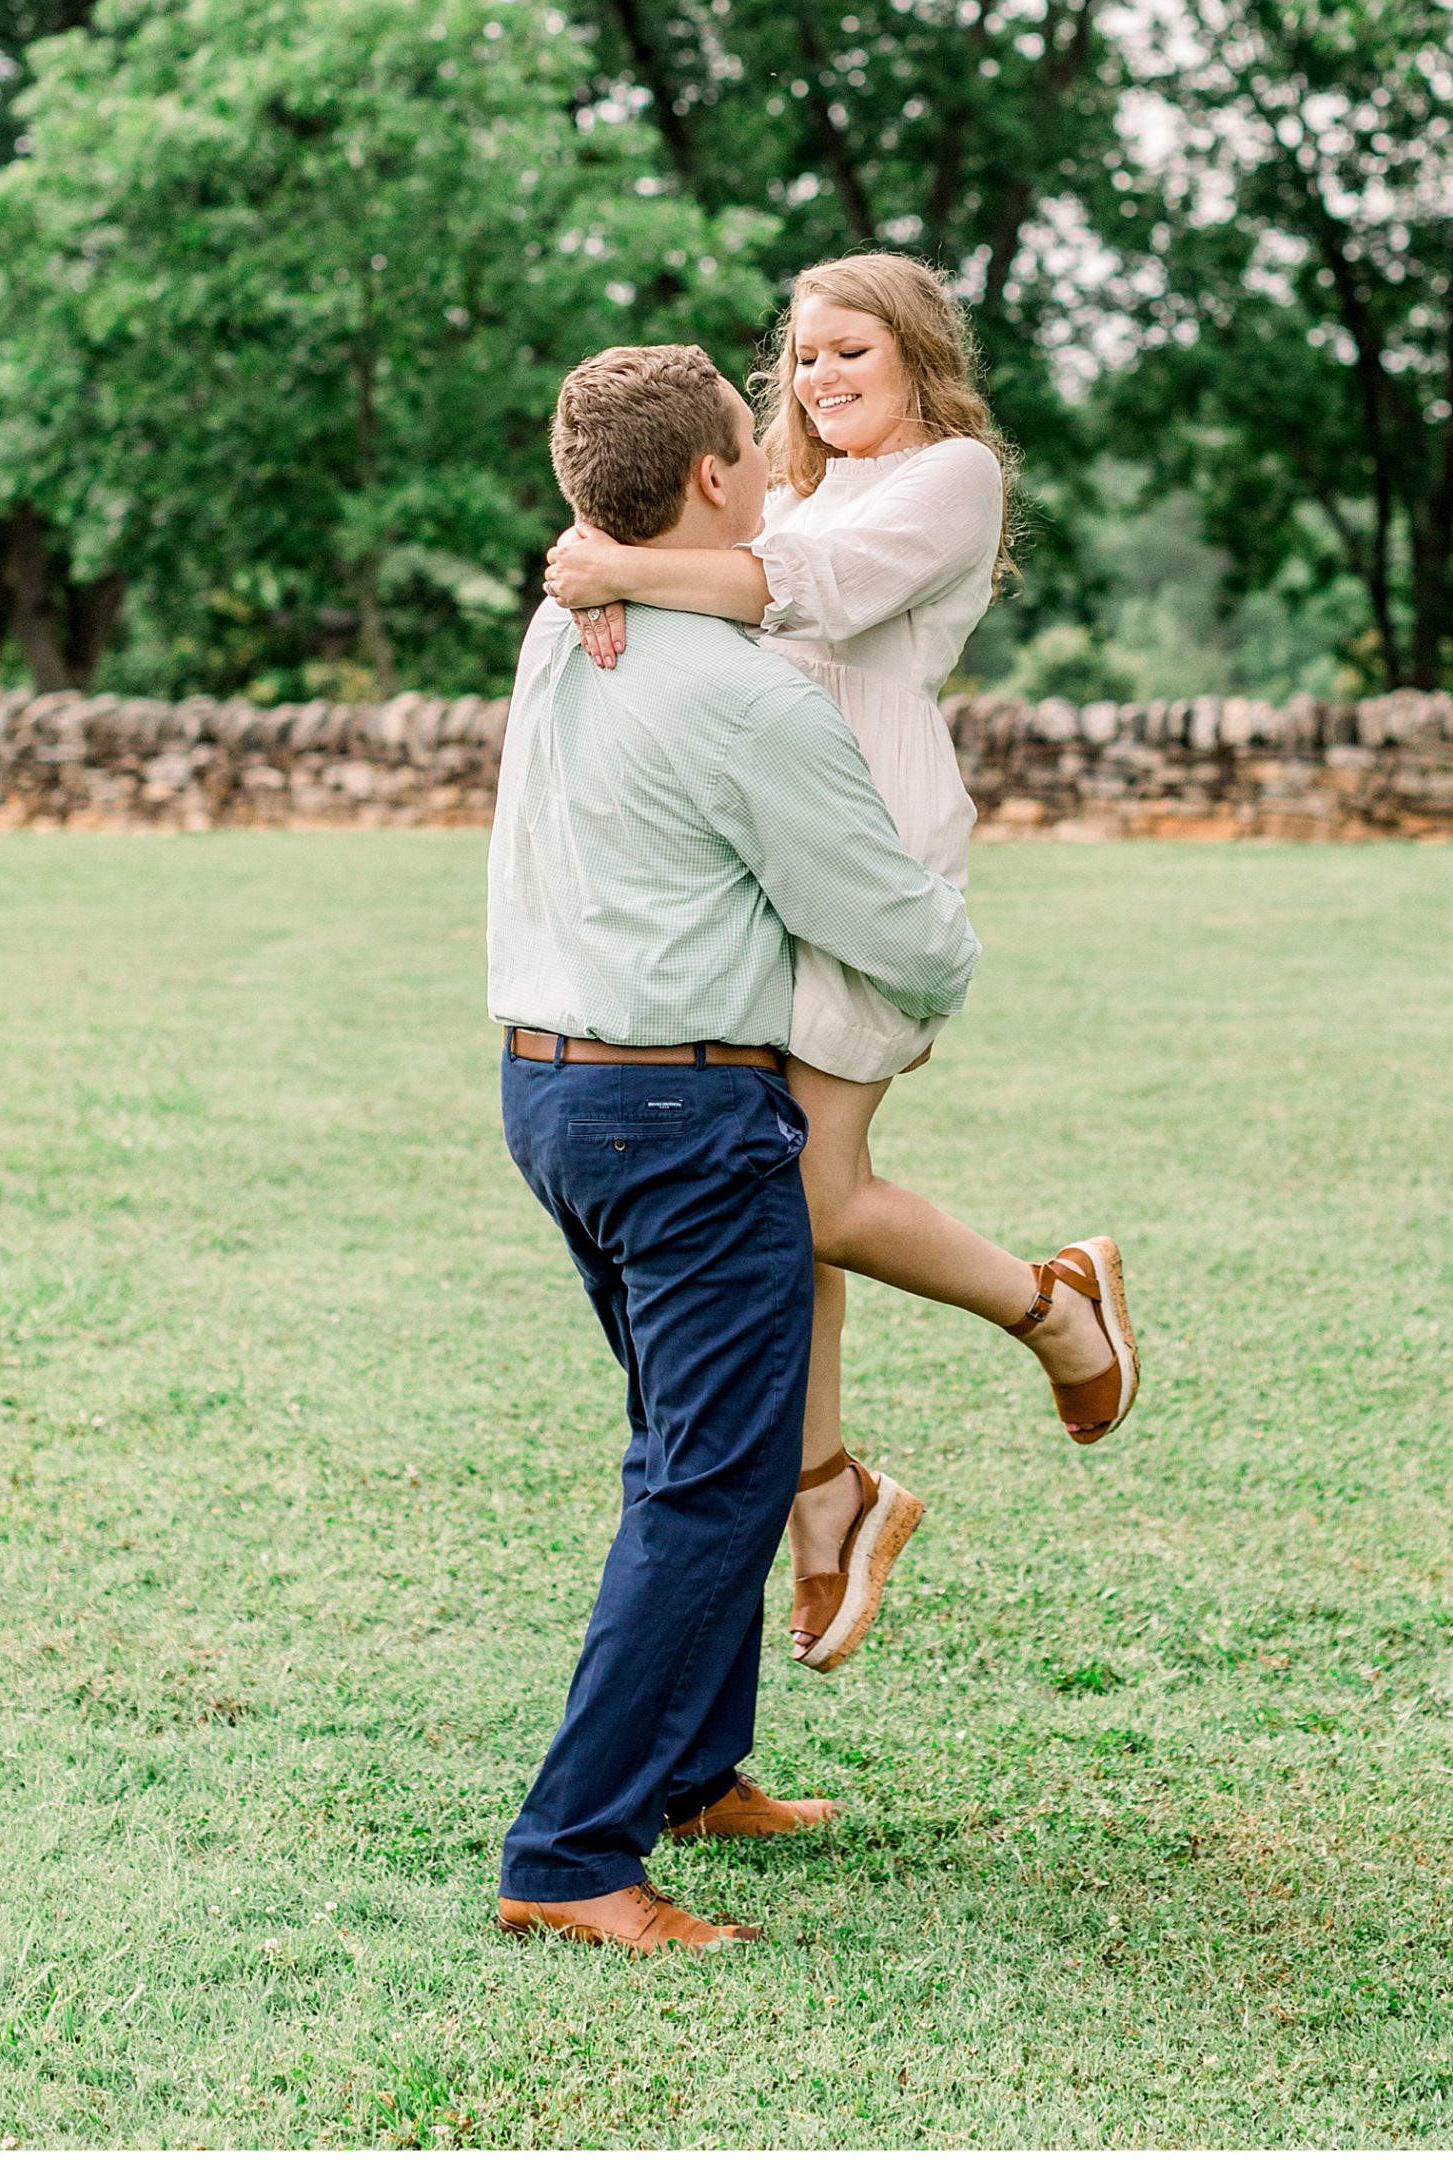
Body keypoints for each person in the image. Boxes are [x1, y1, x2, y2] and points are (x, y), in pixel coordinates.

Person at [543, 253, 1140, 1675]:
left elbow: (802, 595)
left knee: (812, 1185)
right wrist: (605, 585)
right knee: (771, 1187)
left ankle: (1051, 1306)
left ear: (917, 351)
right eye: (802, 355)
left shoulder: (947, 477)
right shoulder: (789, 489)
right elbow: (725, 570)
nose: (819, 377)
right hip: (763, 861)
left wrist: (620, 566)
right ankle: (828, 1495)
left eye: (849, 348)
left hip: (872, 856)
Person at [487, 341, 982, 1955]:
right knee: (706, 1480)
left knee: (698, 1444)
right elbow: (893, 928)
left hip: (554, 1093)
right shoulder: (746, 695)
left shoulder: (562, 636)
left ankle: (698, 1772)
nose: (771, 461)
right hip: (680, 1111)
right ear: (708, 479)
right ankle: (570, 1857)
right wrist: (946, 954)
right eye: (748, 446)